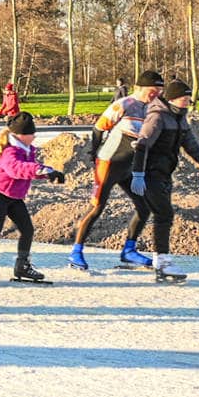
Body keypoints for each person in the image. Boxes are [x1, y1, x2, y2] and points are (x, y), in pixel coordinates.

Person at [130, 80, 199, 284]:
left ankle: (151, 258)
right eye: (185, 98)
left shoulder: (180, 119)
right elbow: (142, 145)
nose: (188, 102)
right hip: (150, 172)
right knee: (164, 214)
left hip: (165, 173)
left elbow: (192, 147)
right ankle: (163, 262)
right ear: (174, 98)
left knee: (156, 213)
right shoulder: (157, 117)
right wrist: (138, 174)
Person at [70, 71, 165, 272]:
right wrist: (93, 153)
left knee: (144, 206)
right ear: (139, 88)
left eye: (159, 91)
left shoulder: (156, 109)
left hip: (131, 167)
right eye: (152, 91)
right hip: (109, 162)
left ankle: (129, 251)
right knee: (97, 207)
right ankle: (76, 252)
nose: (155, 94)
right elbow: (98, 128)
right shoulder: (124, 104)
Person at [0, 112, 67, 285]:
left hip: (14, 196)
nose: (35, 136)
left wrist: (50, 172)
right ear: (21, 136)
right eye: (31, 133)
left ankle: (22, 266)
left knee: (27, 229)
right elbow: (16, 169)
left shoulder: (27, 150)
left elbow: (29, 169)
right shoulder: (10, 151)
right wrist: (40, 170)